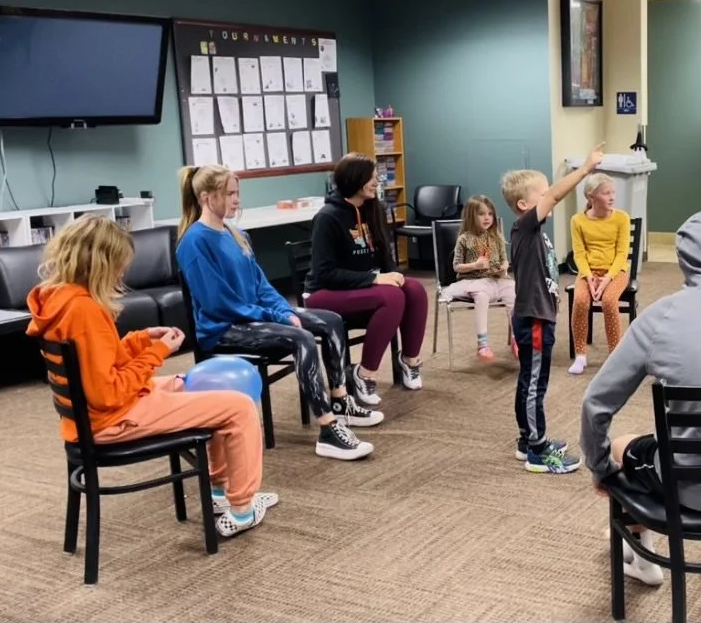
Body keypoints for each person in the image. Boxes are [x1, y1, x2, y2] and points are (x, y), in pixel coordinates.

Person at [26, 215, 278, 537]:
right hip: (111, 419)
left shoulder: (60, 299)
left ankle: (219, 492)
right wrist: (157, 354)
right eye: (119, 265)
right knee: (239, 406)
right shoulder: (84, 311)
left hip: (92, 417)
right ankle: (242, 510)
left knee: (192, 386)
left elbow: (100, 361)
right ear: (102, 262)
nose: (121, 273)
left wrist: (143, 339)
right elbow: (107, 393)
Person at [580, 211, 701, 586]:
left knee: (623, 447)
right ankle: (632, 530)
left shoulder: (661, 316)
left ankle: (641, 554)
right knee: (659, 446)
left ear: (684, 258)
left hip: (692, 490)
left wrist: (600, 468)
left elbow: (596, 403)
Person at [176, 165, 377, 462]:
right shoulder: (194, 242)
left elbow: (261, 285)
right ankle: (327, 430)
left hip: (254, 316)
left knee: (331, 321)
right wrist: (278, 317)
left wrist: (282, 308)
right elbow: (219, 303)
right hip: (224, 328)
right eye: (229, 194)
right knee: (301, 338)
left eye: (237, 193)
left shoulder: (235, 233)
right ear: (206, 197)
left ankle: (339, 400)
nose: (236, 200)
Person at [502, 142, 604, 473]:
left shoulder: (534, 232)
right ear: (523, 204)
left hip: (539, 317)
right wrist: (585, 169)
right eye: (543, 194)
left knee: (531, 382)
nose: (551, 197)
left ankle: (526, 439)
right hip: (532, 319)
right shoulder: (524, 226)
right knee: (534, 385)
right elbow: (555, 197)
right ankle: (537, 450)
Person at [304, 153, 429, 401]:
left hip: (362, 289)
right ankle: (364, 374)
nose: (377, 182)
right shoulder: (328, 217)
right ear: (356, 180)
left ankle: (409, 360)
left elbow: (384, 253)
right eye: (372, 177)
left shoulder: (374, 209)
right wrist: (373, 280)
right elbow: (325, 273)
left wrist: (392, 274)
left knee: (414, 289)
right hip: (324, 294)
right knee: (391, 297)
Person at [568, 173, 633, 375]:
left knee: (608, 300)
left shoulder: (622, 218)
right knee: (580, 300)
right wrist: (588, 276)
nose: (612, 197)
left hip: (616, 272)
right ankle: (581, 355)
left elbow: (622, 253)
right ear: (591, 197)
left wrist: (606, 279)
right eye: (606, 193)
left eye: (613, 192)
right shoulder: (577, 220)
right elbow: (579, 254)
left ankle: (615, 355)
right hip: (589, 272)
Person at [443, 195, 516, 361]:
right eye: (482, 214)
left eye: (490, 214)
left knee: (513, 293)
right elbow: (457, 266)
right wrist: (474, 266)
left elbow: (504, 259)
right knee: (481, 296)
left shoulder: (496, 237)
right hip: (472, 281)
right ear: (471, 216)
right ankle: (482, 343)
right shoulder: (464, 239)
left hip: (496, 279)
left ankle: (517, 338)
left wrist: (503, 267)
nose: (487, 218)